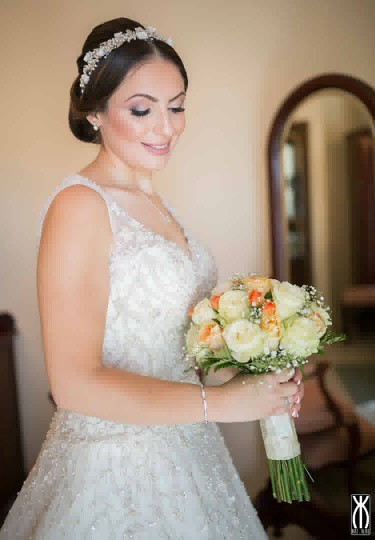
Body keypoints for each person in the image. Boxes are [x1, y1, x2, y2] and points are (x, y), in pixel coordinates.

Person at [0, 17, 304, 539]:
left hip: (190, 453)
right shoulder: (79, 206)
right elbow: (73, 383)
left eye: (177, 106)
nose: (167, 128)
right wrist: (223, 405)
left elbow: (179, 357)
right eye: (142, 110)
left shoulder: (158, 206)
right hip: (114, 469)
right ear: (95, 113)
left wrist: (252, 380)